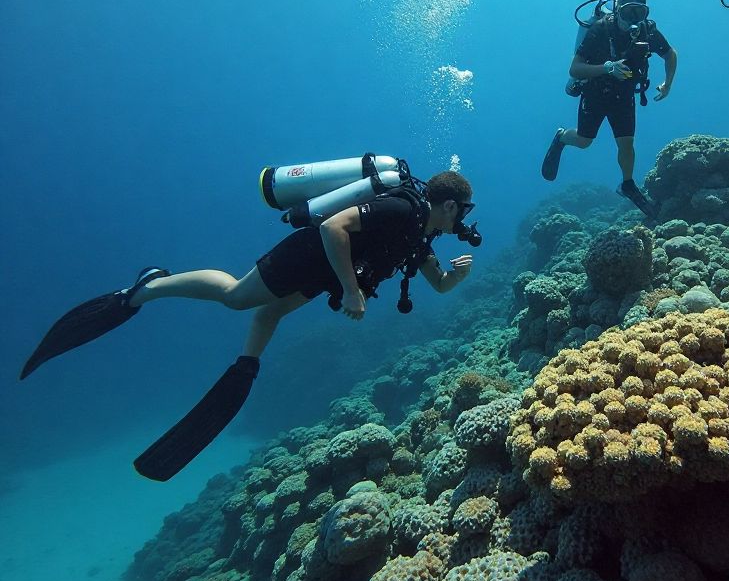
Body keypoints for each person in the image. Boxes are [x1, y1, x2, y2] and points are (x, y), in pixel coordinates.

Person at [20, 171, 476, 480]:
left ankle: (246, 364)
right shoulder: (401, 209)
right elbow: (333, 227)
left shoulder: (420, 237)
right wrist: (351, 290)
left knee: (271, 311)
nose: (463, 221)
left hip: (323, 273)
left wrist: (454, 278)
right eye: (464, 211)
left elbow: (438, 285)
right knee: (236, 297)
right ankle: (149, 285)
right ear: (450, 205)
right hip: (308, 256)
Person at [541, 0, 677, 215]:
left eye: (639, 12)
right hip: (595, 92)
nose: (633, 19)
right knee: (584, 141)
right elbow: (575, 69)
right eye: (627, 12)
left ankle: (627, 184)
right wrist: (606, 68)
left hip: (624, 95)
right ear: (617, 9)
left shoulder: (648, 31)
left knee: (626, 143)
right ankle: (562, 137)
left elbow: (670, 54)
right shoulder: (600, 29)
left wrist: (668, 84)